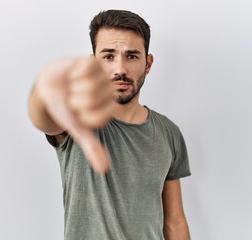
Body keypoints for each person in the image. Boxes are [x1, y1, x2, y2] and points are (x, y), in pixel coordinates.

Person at [28, 9, 191, 240]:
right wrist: (44, 90)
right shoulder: (76, 119)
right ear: (93, 63)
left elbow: (174, 222)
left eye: (132, 56)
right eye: (108, 56)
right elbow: (43, 116)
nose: (120, 69)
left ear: (148, 63)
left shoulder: (169, 132)